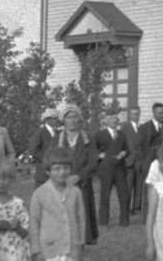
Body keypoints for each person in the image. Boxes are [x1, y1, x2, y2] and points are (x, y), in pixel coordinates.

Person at [30, 147, 86, 261]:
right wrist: (36, 250)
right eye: (57, 169)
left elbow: (81, 220)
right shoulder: (40, 194)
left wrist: (81, 243)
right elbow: (34, 223)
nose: (62, 172)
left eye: (65, 168)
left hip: (72, 249)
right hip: (49, 250)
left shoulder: (76, 192)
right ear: (48, 171)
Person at [56, 105, 100, 245]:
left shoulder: (87, 138)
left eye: (75, 117)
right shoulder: (57, 138)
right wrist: (62, 177)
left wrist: (78, 177)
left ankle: (82, 241)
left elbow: (93, 162)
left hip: (82, 184)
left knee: (82, 214)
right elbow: (50, 160)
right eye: (69, 117)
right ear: (63, 120)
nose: (72, 120)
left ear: (79, 119)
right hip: (61, 184)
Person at [0, 158, 29, 261]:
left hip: (14, 253)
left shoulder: (18, 204)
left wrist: (18, 228)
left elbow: (26, 233)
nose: (1, 182)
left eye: (5, 178)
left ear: (11, 179)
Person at [94, 112, 129, 227]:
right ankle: (103, 221)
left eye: (115, 118)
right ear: (105, 121)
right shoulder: (100, 134)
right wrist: (99, 155)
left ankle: (124, 221)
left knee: (123, 194)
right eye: (110, 118)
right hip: (106, 168)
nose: (113, 120)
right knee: (105, 195)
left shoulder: (121, 134)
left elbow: (127, 149)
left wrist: (124, 153)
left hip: (120, 168)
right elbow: (92, 149)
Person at [138, 102, 163, 216]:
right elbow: (139, 146)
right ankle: (146, 215)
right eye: (160, 113)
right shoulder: (144, 127)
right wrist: (143, 162)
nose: (162, 115)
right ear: (153, 113)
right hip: (148, 159)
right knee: (148, 186)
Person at [28, 108, 60, 186]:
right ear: (47, 120)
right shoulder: (40, 132)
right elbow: (33, 150)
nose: (56, 120)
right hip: (42, 174)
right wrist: (47, 160)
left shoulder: (57, 133)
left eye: (57, 118)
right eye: (54, 118)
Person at [123, 106, 143, 215]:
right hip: (129, 160)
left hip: (139, 160)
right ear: (129, 115)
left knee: (139, 185)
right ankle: (125, 208)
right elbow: (122, 142)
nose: (135, 116)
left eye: (137, 114)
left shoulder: (142, 127)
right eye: (133, 114)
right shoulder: (125, 127)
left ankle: (136, 208)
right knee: (128, 185)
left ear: (139, 114)